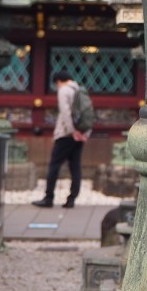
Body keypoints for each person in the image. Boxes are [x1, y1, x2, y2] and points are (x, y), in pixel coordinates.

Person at [32, 70, 88, 208]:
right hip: (80, 134)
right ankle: (71, 199)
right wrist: (84, 133)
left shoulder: (64, 91)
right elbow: (88, 114)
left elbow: (65, 112)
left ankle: (48, 197)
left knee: (54, 165)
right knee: (75, 166)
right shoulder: (81, 90)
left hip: (66, 134)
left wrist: (71, 131)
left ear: (58, 81)